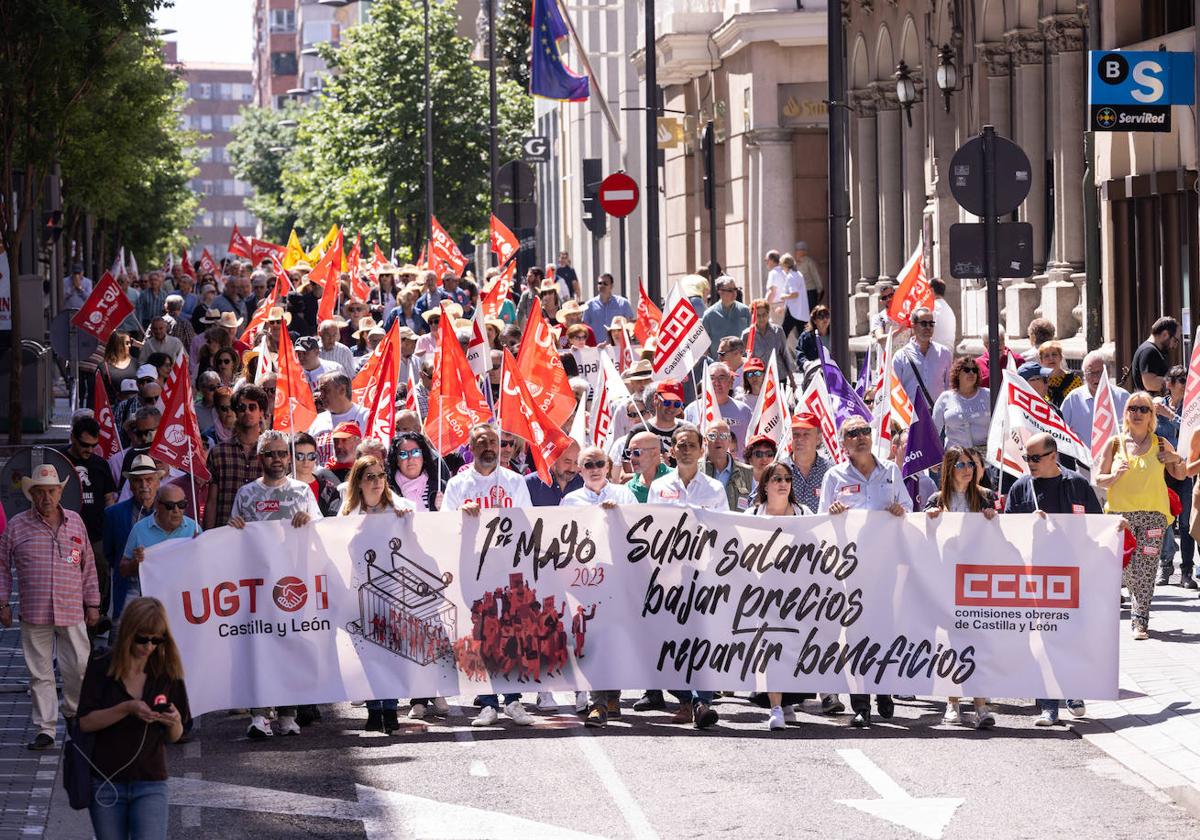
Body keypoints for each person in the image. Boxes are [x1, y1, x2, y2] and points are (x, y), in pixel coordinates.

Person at [229, 431, 323, 738]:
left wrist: (309, 523)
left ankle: (287, 714)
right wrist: (235, 528)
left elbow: (323, 530)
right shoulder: (245, 494)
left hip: (293, 585)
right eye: (271, 454)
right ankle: (259, 715)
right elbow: (232, 539)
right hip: (256, 586)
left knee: (289, 647)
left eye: (283, 453)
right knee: (259, 648)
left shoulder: (302, 491)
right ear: (260, 458)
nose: (278, 459)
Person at [818, 417, 910, 727]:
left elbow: (909, 509)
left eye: (864, 432)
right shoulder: (834, 476)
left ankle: (883, 690)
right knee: (857, 635)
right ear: (842, 442)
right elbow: (821, 520)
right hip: (851, 570)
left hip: (885, 567)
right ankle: (861, 702)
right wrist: (832, 514)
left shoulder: (891, 471)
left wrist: (900, 512)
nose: (860, 437)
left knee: (885, 632)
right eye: (852, 434)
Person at [0, 463, 100, 750]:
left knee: (79, 667)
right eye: (40, 492)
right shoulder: (18, 525)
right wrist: (3, 601)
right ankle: (45, 728)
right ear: (32, 494)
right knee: (39, 672)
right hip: (35, 611)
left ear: (60, 492)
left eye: (52, 491)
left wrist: (93, 604)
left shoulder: (75, 522)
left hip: (71, 610)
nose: (46, 497)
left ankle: (73, 713)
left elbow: (88, 565)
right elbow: (2, 567)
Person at [1004, 432, 1102, 724]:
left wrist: (1116, 526)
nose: (1030, 463)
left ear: (1053, 456)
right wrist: (1027, 527)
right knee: (1044, 639)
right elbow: (1007, 533)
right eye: (1026, 458)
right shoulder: (1021, 489)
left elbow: (1096, 526)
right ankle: (1049, 705)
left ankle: (1073, 690)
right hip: (1036, 577)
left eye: (1035, 458)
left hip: (1071, 575)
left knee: (1071, 636)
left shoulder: (1077, 485)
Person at [442, 425, 535, 726]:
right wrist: (461, 516)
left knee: (511, 632)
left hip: (507, 567)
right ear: (470, 447)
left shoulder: (515, 481)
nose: (489, 448)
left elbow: (527, 520)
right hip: (472, 567)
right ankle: (487, 702)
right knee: (481, 633)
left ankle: (513, 700)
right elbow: (442, 525)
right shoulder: (457, 485)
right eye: (481, 442)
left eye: (493, 442)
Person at [78, 597, 188, 840]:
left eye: (156, 640)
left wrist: (175, 722)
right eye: (142, 638)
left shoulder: (167, 670)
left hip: (150, 781)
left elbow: (175, 736)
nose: (148, 646)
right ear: (128, 631)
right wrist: (127, 708)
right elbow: (84, 722)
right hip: (106, 782)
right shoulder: (101, 664)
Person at [648, 423, 727, 729]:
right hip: (669, 572)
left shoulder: (714, 489)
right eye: (680, 445)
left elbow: (722, 530)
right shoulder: (659, 486)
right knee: (672, 637)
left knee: (701, 636)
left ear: (701, 449)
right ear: (672, 450)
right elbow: (652, 526)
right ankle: (689, 699)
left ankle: (700, 700)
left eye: (691, 445)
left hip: (703, 572)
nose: (685, 450)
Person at [1096, 392, 1185, 640]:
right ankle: (1136, 604)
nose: (1136, 413)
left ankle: (1140, 620)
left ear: (1151, 416)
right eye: (1132, 408)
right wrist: (1113, 477)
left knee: (1146, 568)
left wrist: (1176, 457)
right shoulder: (1115, 444)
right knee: (1126, 569)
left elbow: (1180, 474)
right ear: (1125, 414)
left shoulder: (1160, 444)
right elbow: (1098, 479)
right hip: (1120, 517)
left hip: (1153, 517)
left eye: (1143, 409)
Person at [924, 446, 999, 728]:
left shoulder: (985, 497)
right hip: (944, 580)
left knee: (976, 641)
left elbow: (1001, 538)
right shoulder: (935, 500)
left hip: (976, 581)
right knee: (950, 642)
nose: (967, 469)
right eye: (960, 465)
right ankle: (952, 702)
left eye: (970, 464)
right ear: (948, 469)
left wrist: (993, 519)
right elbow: (919, 541)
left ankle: (980, 705)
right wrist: (928, 521)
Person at [339, 455, 414, 733]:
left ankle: (390, 709)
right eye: (370, 476)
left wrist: (409, 521)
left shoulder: (401, 508)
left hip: (394, 594)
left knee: (391, 653)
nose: (377, 482)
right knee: (368, 655)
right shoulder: (347, 514)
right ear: (358, 482)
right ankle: (374, 708)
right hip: (360, 594)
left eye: (381, 475)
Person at [746, 459, 813, 729]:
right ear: (765, 485)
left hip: (797, 594)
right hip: (764, 594)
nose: (783, 483)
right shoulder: (753, 516)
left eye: (787, 479)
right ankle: (775, 707)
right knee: (770, 648)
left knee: (793, 649)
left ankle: (787, 700)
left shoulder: (804, 512)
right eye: (777, 479)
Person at [61, 414, 117, 619]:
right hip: (66, 537)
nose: (90, 450)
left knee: (100, 573)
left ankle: (98, 616)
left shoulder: (101, 464)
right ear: (73, 438)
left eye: (94, 445)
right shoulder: (59, 460)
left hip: (96, 536)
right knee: (70, 574)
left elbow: (109, 498)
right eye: (85, 445)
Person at [119, 485, 200, 617]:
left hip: (185, 604)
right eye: (170, 505)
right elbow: (123, 570)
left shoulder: (194, 529)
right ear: (158, 505)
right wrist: (137, 562)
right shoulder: (140, 529)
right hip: (151, 607)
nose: (176, 510)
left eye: (181, 504)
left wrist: (200, 549)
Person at [103, 456, 161, 623]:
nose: (144, 485)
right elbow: (111, 554)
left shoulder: (170, 511)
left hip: (162, 586)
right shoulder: (113, 514)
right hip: (128, 587)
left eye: (149, 479)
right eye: (138, 481)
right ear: (130, 484)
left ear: (157, 482)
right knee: (122, 639)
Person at [204, 384, 266, 530]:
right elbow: (212, 501)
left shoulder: (270, 453)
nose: (247, 412)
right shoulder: (219, 453)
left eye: (252, 407)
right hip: (225, 531)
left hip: (261, 533)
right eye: (242, 408)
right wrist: (207, 536)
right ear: (236, 412)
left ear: (261, 412)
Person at [1155, 367, 1196, 589]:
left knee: (1187, 521)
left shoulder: (1192, 407)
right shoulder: (1156, 403)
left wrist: (1172, 416)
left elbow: (1193, 432)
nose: (1184, 384)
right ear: (1169, 383)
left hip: (1184, 470)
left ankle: (1186, 571)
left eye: (1186, 380)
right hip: (1160, 471)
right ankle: (1166, 564)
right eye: (1181, 380)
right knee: (1164, 520)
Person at [1061, 351, 1132, 447]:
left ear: (1109, 372)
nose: (1096, 378)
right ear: (1084, 375)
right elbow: (1060, 431)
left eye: (1100, 373)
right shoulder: (1073, 399)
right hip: (1083, 460)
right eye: (1090, 373)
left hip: (1118, 459)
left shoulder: (1123, 398)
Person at [684, 364, 752, 453]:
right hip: (703, 464)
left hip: (736, 465)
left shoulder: (744, 410)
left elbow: (751, 441)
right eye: (711, 378)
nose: (716, 382)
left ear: (730, 382)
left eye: (721, 377)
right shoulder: (692, 409)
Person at [893, 306, 951, 406]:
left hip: (937, 416)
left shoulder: (944, 353)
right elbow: (895, 389)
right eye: (924, 324)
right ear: (913, 326)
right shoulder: (900, 356)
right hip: (912, 416)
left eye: (931, 324)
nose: (928, 327)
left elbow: (949, 386)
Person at [932, 356, 991, 450]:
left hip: (983, 458)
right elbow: (933, 432)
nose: (972, 373)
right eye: (967, 370)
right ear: (958, 373)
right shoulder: (945, 398)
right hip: (955, 457)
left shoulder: (988, 395)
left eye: (974, 370)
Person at [700, 420, 754, 511]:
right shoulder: (693, 470)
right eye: (712, 436)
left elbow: (755, 507)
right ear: (705, 440)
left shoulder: (748, 473)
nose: (718, 440)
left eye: (723, 436)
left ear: (729, 440)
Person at [787, 412, 832, 513]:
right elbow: (756, 503)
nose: (799, 439)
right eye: (796, 434)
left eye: (806, 434)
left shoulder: (831, 472)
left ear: (818, 439)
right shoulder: (777, 470)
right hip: (785, 528)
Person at [701, 276, 751, 360]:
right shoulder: (709, 315)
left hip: (740, 365)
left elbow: (751, 338)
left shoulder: (745, 311)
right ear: (720, 292)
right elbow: (703, 344)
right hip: (719, 367)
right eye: (730, 290)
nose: (734, 293)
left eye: (736, 289)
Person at [293, 431, 342, 517]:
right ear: (290, 457)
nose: (306, 461)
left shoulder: (329, 490)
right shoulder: (278, 487)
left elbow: (334, 523)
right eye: (300, 456)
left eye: (311, 456)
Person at [1131, 316, 1179, 394]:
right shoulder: (1150, 351)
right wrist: (1180, 382)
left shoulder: (1149, 349)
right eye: (1175, 340)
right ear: (1165, 334)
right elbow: (1150, 383)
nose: (1175, 346)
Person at [766, 252, 809, 338]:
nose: (782, 268)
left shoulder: (790, 276)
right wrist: (783, 307)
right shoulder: (798, 274)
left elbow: (795, 294)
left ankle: (779, 350)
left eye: (782, 265)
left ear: (785, 265)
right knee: (802, 334)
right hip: (800, 311)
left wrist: (783, 296)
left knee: (784, 333)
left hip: (793, 312)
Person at [526, 441, 583, 506]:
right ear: (553, 459)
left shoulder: (585, 484)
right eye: (567, 462)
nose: (572, 468)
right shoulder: (530, 484)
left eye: (576, 462)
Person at [580, 273, 633, 337]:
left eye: (605, 283)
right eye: (600, 283)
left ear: (611, 286)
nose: (602, 286)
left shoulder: (623, 303)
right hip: (596, 346)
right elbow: (585, 328)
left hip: (618, 345)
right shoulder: (589, 305)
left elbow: (629, 326)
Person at [624, 430, 669, 503]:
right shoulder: (628, 489)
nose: (631, 457)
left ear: (654, 453)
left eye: (636, 452)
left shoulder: (678, 479)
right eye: (629, 452)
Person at [1038, 340, 1083, 407]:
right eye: (1046, 356)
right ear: (1041, 360)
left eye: (1054, 354)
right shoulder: (1038, 381)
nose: (1051, 358)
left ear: (1061, 357)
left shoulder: (1075, 380)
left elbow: (1080, 404)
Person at [99, 332, 139, 403]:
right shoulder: (104, 367)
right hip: (113, 409)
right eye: (127, 343)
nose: (130, 346)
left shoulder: (136, 364)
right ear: (118, 345)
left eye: (130, 343)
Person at [794, 241, 823, 311]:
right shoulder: (795, 263)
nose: (797, 252)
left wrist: (820, 288)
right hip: (803, 292)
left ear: (803, 251)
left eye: (798, 250)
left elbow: (815, 275)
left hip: (809, 291)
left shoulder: (809, 262)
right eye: (797, 250)